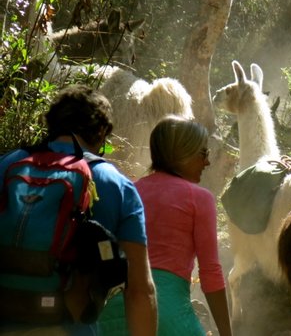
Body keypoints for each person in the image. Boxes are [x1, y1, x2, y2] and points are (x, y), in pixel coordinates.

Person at [0, 85, 158, 336]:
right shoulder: (114, 184)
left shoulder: (8, 165)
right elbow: (140, 291)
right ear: (102, 132)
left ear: (51, 122)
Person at [99, 115, 232, 336]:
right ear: (182, 153)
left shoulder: (130, 190)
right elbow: (210, 273)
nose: (207, 162)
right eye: (203, 153)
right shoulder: (199, 198)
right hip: (167, 316)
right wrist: (227, 332)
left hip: (115, 313)